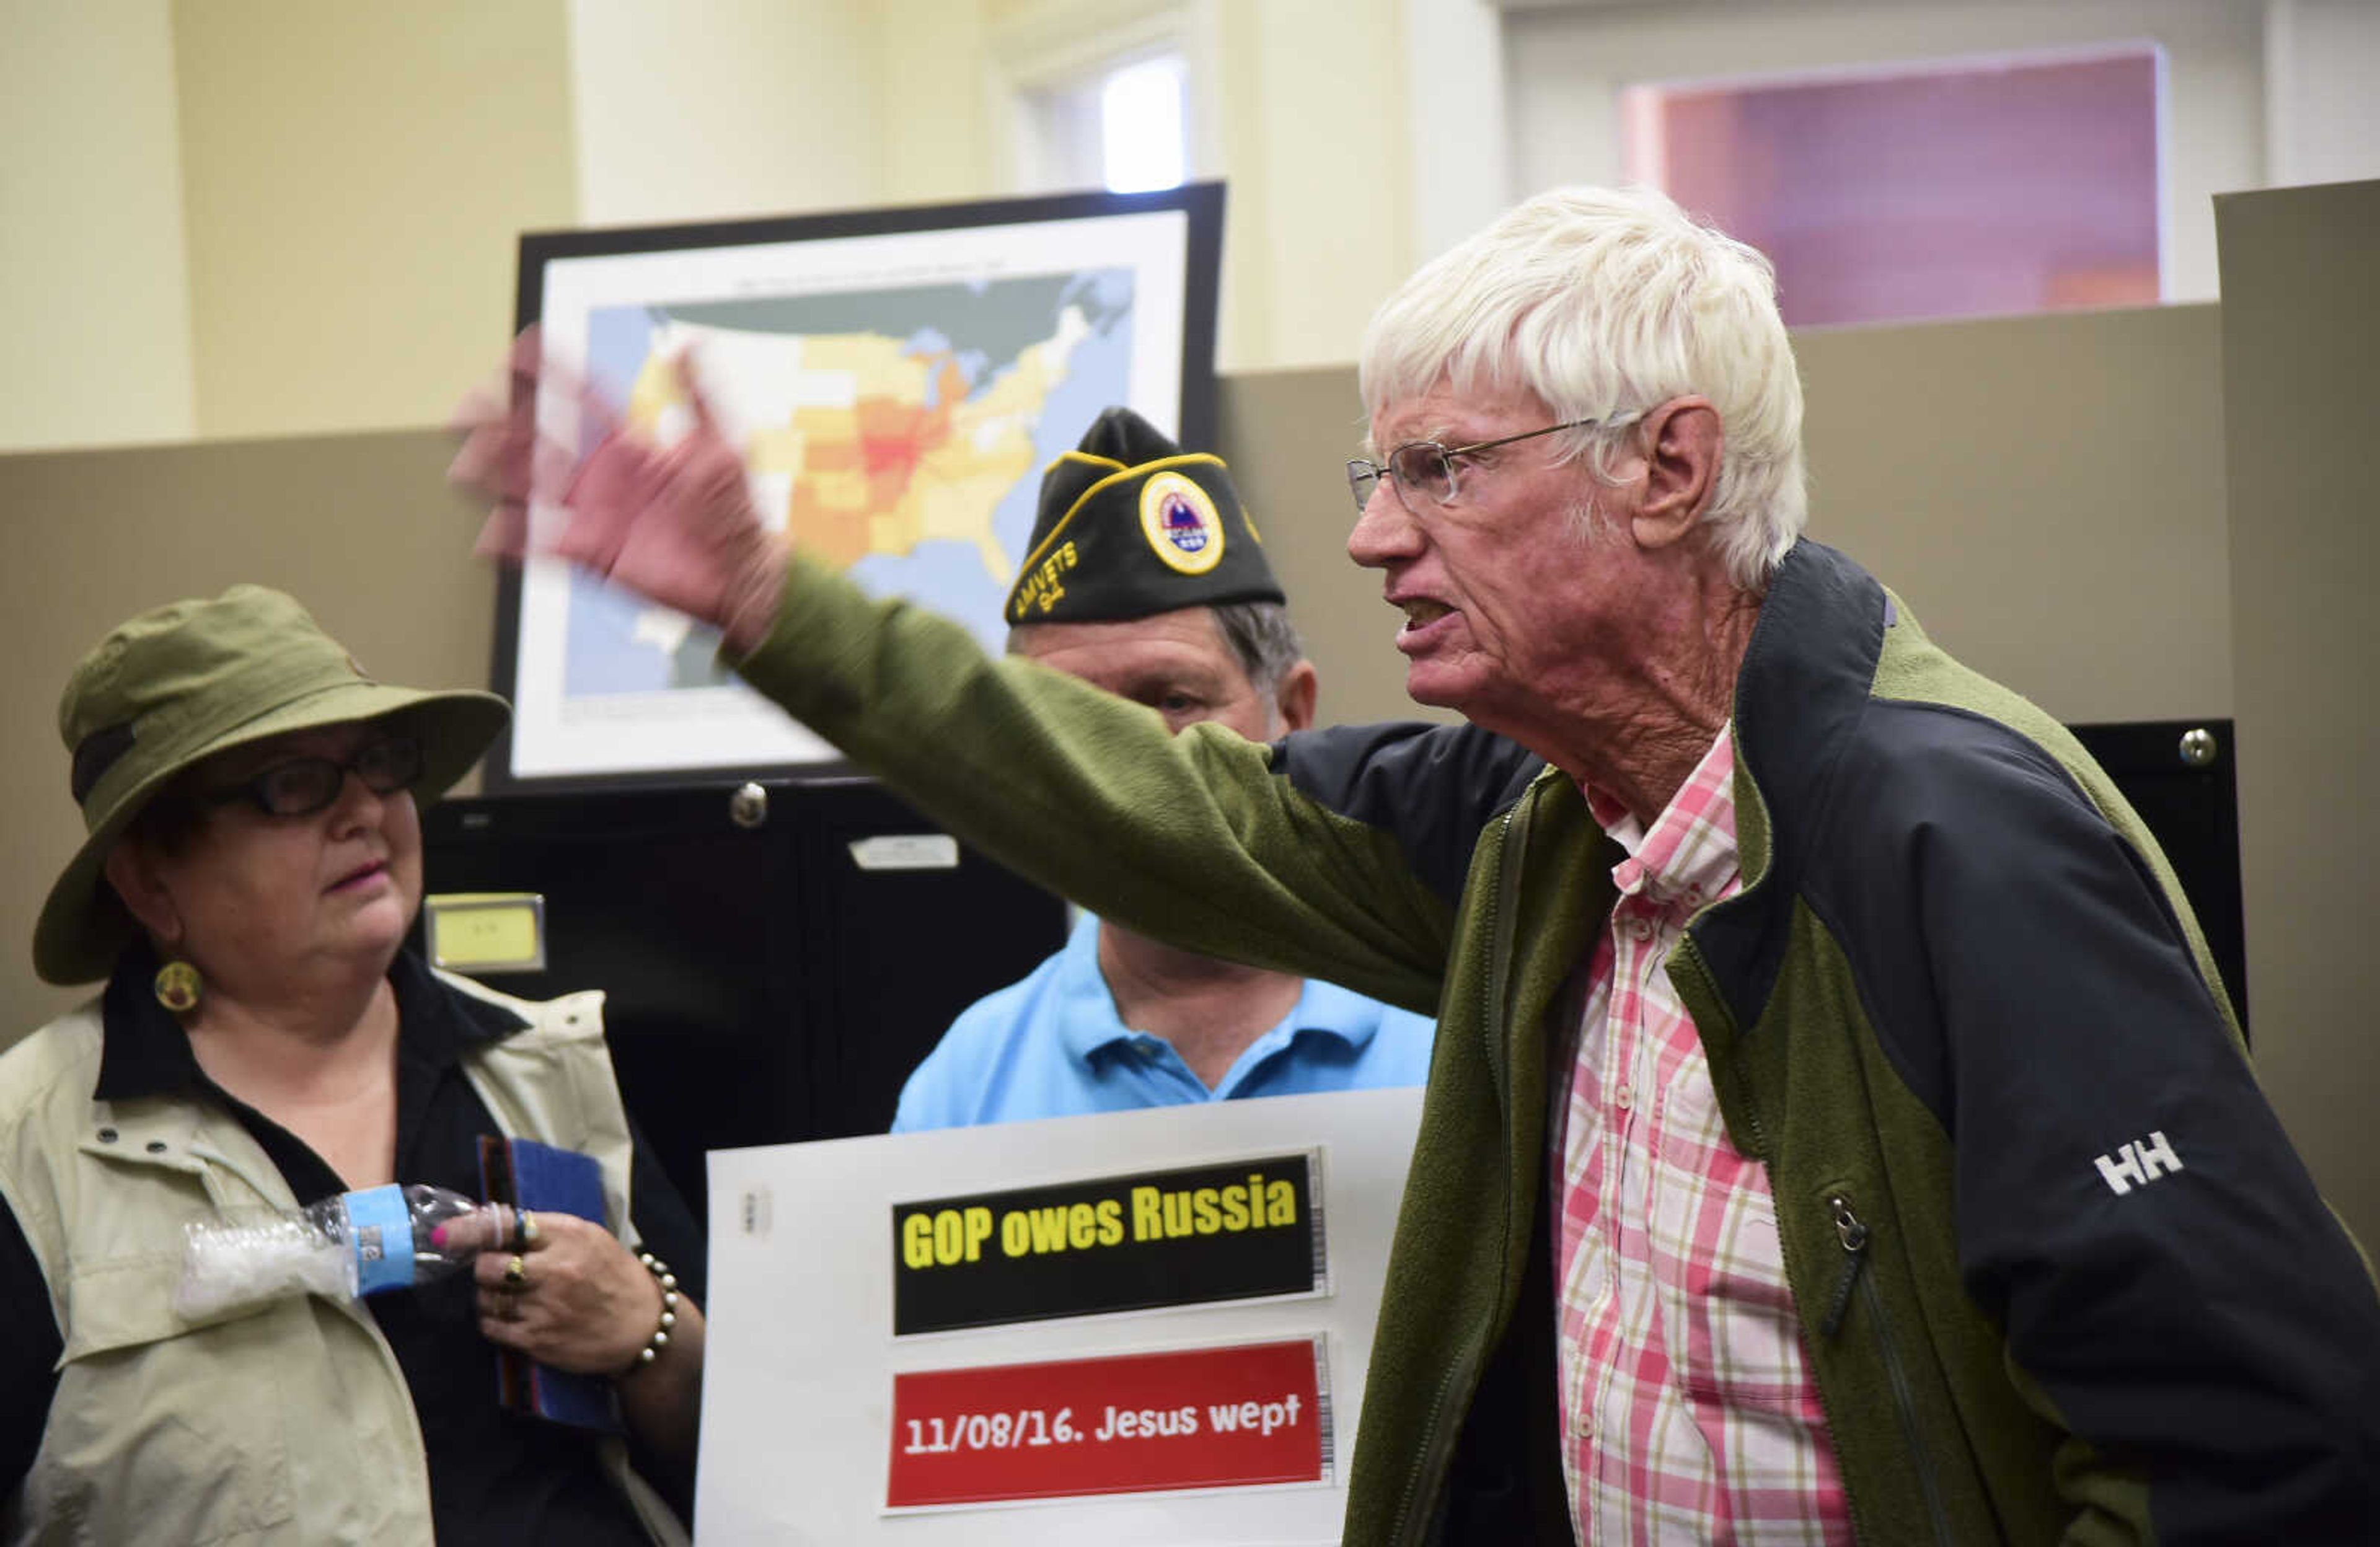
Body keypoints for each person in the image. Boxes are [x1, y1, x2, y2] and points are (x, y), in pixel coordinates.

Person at [454, 186, 2380, 1543]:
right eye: (1378, 476)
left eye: (1438, 470)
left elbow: (2249, 1440)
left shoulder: (1951, 841)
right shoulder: (1534, 826)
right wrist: (783, 611)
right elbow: (1154, 810)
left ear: (1664, 466)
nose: (1375, 536)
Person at [0, 586, 706, 1545]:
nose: (367, 811)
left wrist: (650, 1331)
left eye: (378, 764)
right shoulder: (31, 1155)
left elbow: (770, 1457)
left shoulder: (546, 1064)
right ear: (149, 878)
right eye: (293, 783)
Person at [892, 406, 1435, 1130]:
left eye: (1174, 701)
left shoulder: (1448, 1030)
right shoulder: (969, 1086)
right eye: (1075, 717)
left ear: (1294, 713)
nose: (1127, 759)